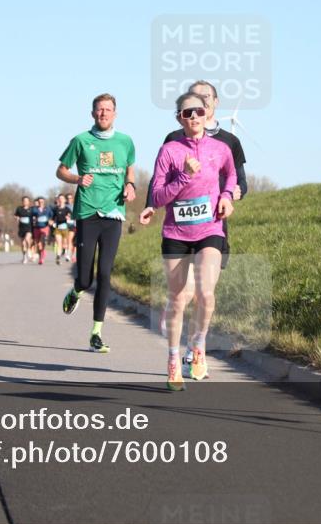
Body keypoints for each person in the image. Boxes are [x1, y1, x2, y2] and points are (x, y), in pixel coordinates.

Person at [140, 80, 248, 367]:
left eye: (202, 106)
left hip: (212, 225)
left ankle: (197, 345)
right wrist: (151, 203)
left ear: (213, 105)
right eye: (189, 110)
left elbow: (236, 177)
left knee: (204, 292)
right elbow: (158, 187)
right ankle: (176, 355)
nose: (196, 114)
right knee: (181, 296)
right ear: (180, 116)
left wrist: (229, 196)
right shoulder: (171, 144)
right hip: (177, 230)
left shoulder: (227, 144)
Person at [57, 93, 136, 353]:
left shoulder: (125, 142)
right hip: (88, 213)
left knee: (105, 273)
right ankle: (77, 290)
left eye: (108, 109)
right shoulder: (81, 141)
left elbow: (129, 169)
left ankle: (96, 333)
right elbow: (61, 170)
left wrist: (130, 186)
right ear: (93, 114)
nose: (103, 113)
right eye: (99, 110)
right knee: (85, 278)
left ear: (115, 113)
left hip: (114, 214)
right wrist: (77, 179)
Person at [31, 196, 53, 265]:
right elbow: (31, 216)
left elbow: (51, 216)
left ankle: (41, 258)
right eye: (39, 202)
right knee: (38, 244)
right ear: (38, 202)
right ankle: (42, 254)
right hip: (37, 228)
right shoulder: (34, 209)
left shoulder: (48, 209)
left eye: (42, 202)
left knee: (41, 242)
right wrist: (34, 219)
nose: (41, 203)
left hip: (45, 227)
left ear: (44, 202)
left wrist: (51, 221)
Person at [52, 194, 72, 265]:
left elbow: (71, 217)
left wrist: (69, 218)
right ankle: (58, 257)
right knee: (59, 243)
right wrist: (52, 222)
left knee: (65, 244)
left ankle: (65, 251)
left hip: (65, 228)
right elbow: (52, 218)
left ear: (64, 200)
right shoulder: (55, 209)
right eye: (59, 198)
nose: (60, 200)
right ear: (58, 200)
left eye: (62, 198)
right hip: (58, 228)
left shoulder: (67, 209)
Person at [14, 196, 34, 264]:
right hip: (22, 228)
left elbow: (35, 216)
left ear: (29, 202)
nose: (25, 202)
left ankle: (29, 250)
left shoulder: (31, 209)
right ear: (22, 202)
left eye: (26, 201)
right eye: (24, 201)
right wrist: (17, 218)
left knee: (27, 239)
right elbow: (16, 215)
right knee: (23, 244)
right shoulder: (19, 209)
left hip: (29, 228)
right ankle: (24, 257)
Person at [65, 192, 77, 263]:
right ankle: (68, 255)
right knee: (69, 240)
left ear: (73, 199)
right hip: (66, 226)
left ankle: (73, 255)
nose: (69, 199)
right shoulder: (65, 206)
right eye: (68, 198)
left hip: (75, 225)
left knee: (75, 242)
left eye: (70, 198)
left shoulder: (75, 206)